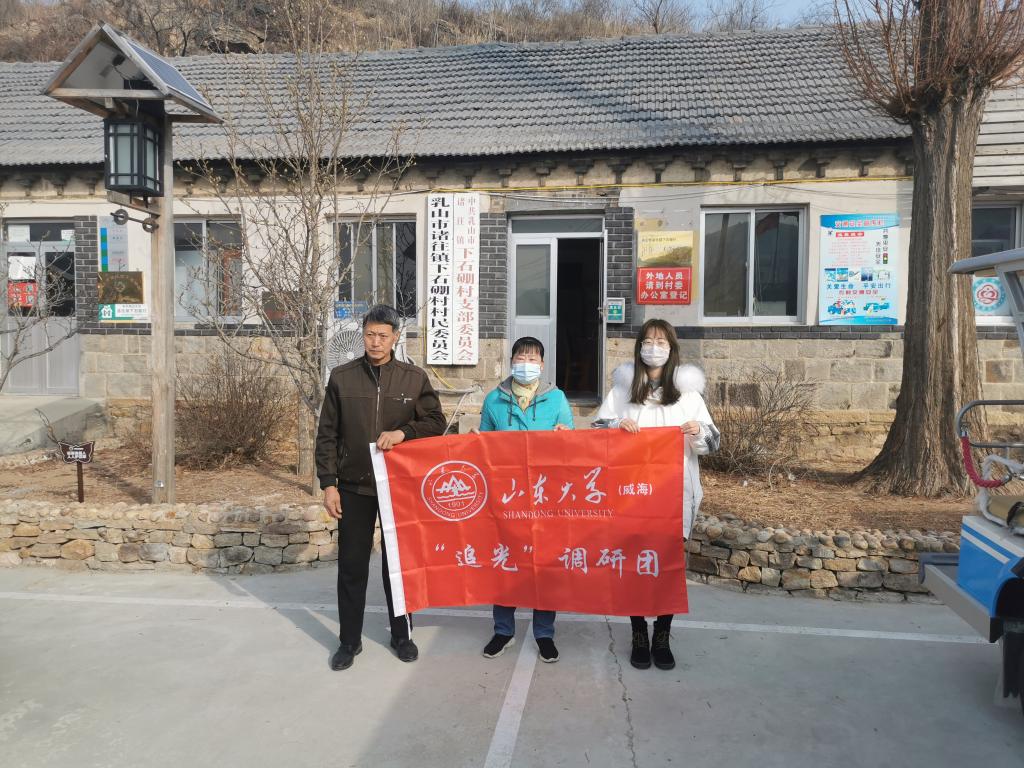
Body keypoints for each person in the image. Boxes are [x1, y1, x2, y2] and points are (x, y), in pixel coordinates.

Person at [315, 304, 446, 671]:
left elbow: (436, 422)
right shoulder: (342, 378)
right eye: (370, 334)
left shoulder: (413, 379)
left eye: (383, 336)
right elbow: (327, 434)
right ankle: (349, 641)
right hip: (353, 487)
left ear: (395, 337)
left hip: (398, 488)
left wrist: (405, 432)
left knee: (398, 567)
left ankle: (402, 635)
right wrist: (329, 484)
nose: (375, 342)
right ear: (363, 335)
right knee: (352, 566)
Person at [594, 318, 719, 671]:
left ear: (672, 348)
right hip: (631, 495)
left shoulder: (688, 395)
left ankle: (662, 634)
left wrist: (697, 432)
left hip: (674, 495)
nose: (654, 347)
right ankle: (638, 633)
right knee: (634, 564)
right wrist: (616, 427)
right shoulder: (622, 392)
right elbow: (597, 432)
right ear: (639, 347)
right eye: (648, 341)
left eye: (661, 341)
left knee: (667, 567)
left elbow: (713, 442)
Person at [474, 336, 573, 663]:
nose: (526, 364)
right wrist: (475, 442)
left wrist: (565, 436)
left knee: (544, 563)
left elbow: (573, 443)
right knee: (506, 560)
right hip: (507, 496)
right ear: (511, 361)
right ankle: (503, 630)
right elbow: (483, 445)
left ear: (542, 365)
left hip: (546, 495)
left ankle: (544, 633)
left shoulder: (556, 398)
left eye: (532, 359)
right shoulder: (494, 399)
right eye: (521, 357)